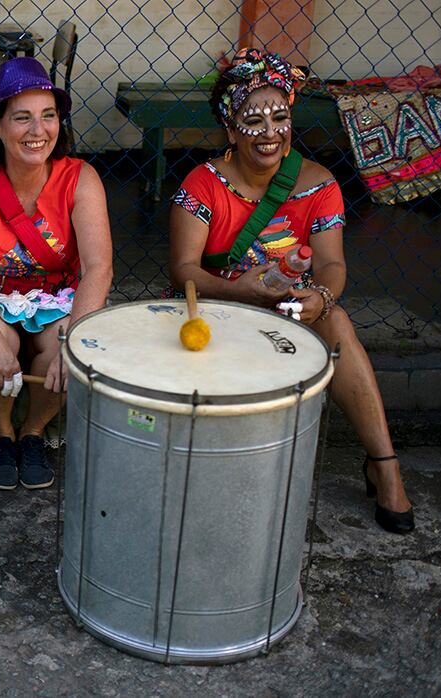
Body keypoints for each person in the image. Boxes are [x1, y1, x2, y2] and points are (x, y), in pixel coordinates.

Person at [169, 48, 415, 534]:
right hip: (218, 306)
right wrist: (239, 289)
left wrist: (321, 296)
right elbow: (182, 272)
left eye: (280, 117)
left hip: (289, 308)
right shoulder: (203, 184)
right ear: (231, 127)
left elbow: (331, 264)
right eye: (253, 120)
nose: (269, 132)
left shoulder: (318, 184)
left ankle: (383, 463)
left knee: (337, 321)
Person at [0, 57, 113, 490]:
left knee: (67, 343)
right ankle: (0, 431)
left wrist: (75, 342)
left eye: (48, 117)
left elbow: (99, 267)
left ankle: (33, 431)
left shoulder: (80, 178)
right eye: (22, 118)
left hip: (55, 301)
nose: (37, 131)